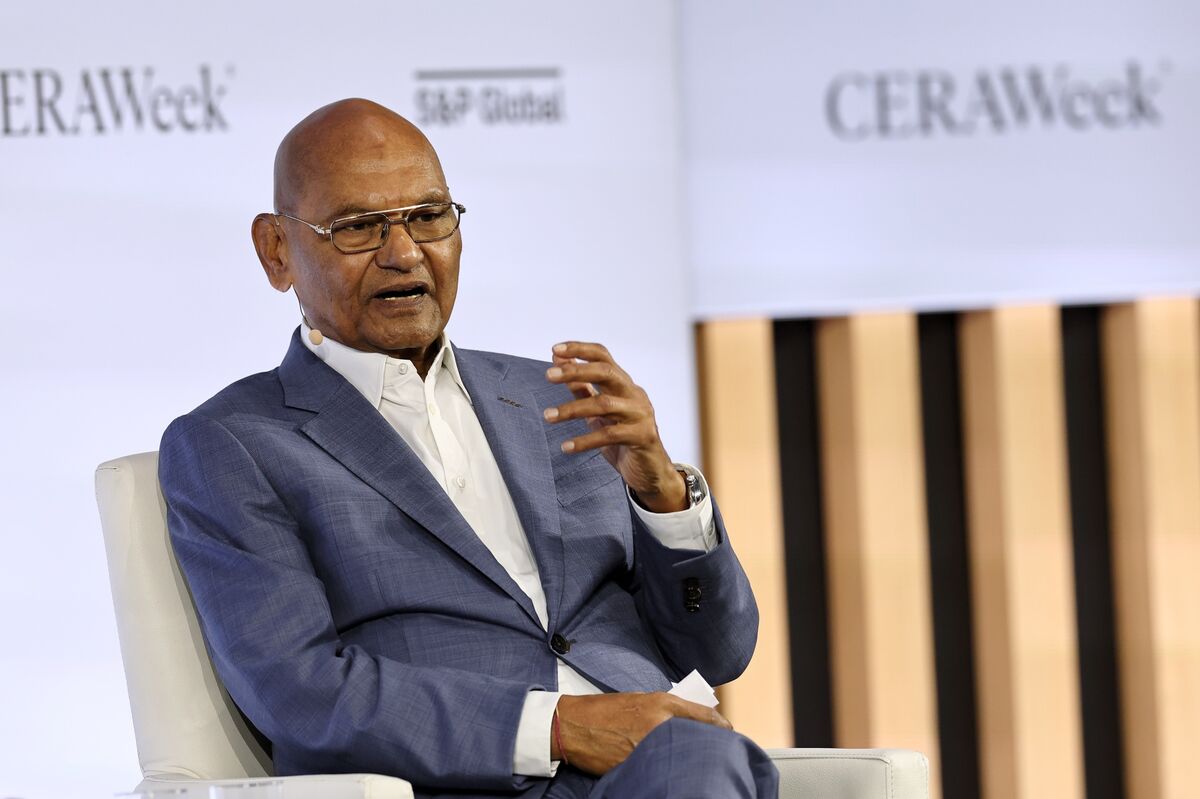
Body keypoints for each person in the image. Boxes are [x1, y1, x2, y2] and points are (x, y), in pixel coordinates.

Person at [158, 98, 779, 799]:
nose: (404, 253)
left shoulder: (556, 396)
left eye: (428, 217)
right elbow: (300, 691)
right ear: (277, 251)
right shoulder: (235, 443)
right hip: (459, 782)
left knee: (705, 759)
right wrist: (560, 727)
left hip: (656, 770)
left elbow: (718, 652)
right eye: (358, 228)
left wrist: (662, 496)